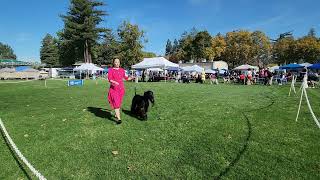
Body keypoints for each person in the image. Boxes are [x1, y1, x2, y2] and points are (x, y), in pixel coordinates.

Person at [107, 58, 133, 124]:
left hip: (121, 90)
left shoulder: (122, 70)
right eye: (116, 62)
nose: (117, 63)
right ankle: (119, 119)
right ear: (113, 63)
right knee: (116, 103)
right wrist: (115, 82)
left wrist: (131, 78)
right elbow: (109, 79)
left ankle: (116, 113)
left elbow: (125, 78)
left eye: (118, 62)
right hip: (114, 89)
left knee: (118, 102)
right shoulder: (111, 70)